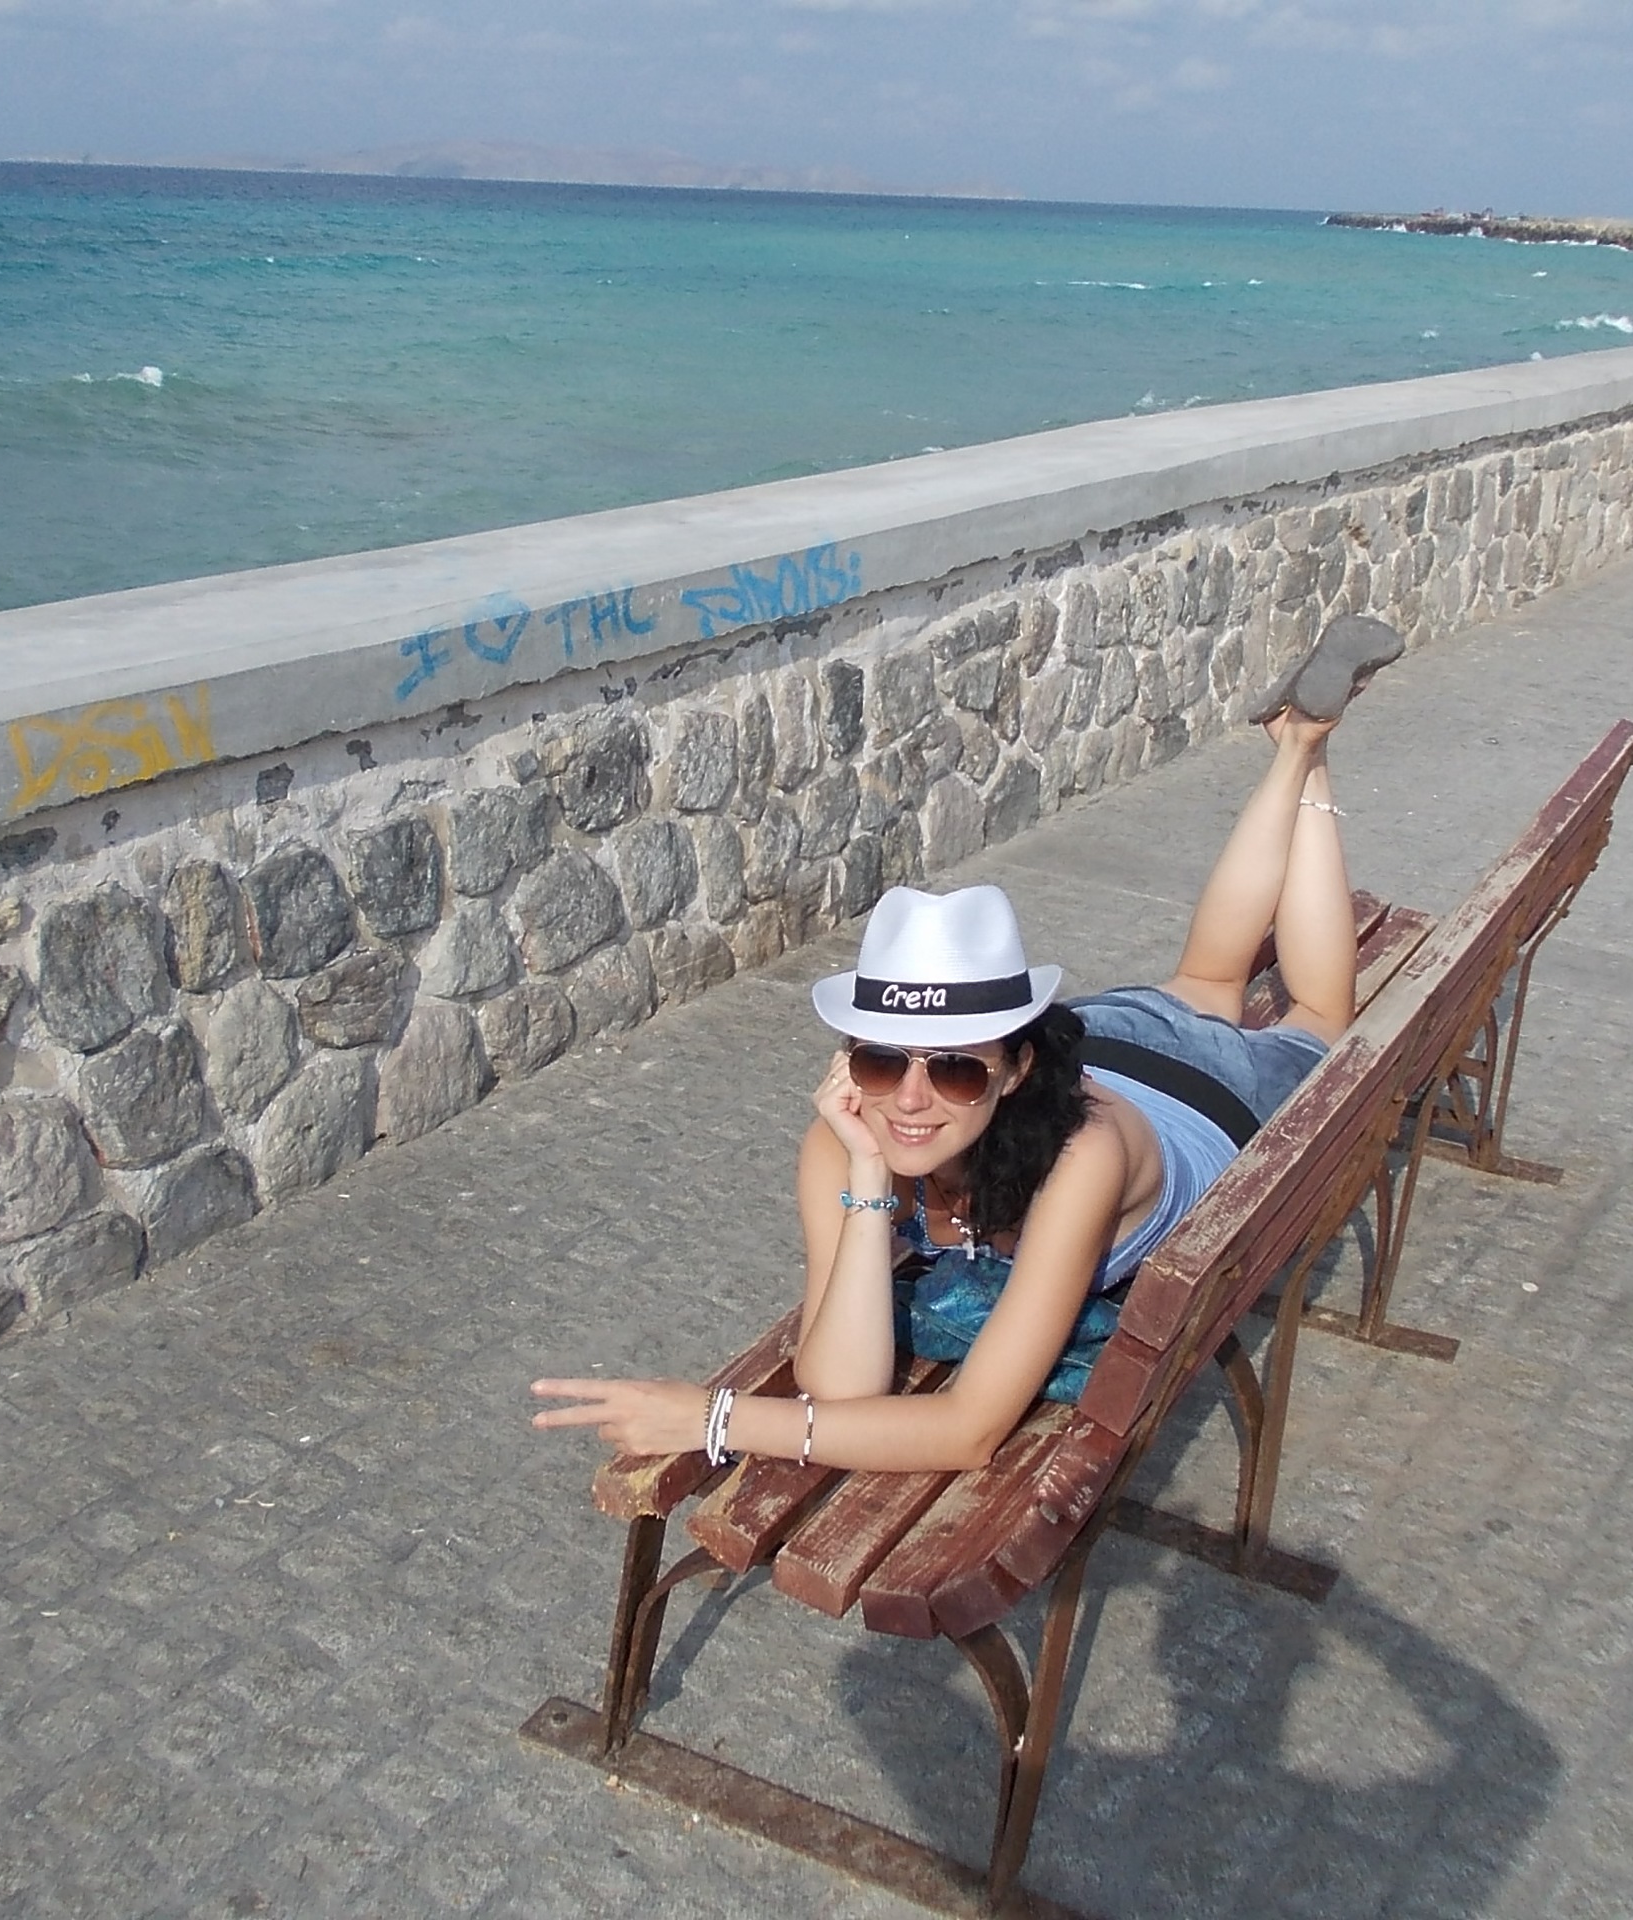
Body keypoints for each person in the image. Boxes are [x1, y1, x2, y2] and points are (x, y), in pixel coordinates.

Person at [532, 615, 1407, 1473]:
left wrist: (713, 1417)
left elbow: (968, 1432)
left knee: (1319, 1014)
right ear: (849, 1059)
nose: (910, 1098)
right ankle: (1293, 742)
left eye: (952, 1069)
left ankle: (1307, 751)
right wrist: (867, 1180)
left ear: (1014, 1068)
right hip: (1106, 1040)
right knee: (1209, 980)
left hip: (1201, 1096)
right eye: (882, 1060)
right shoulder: (846, 1141)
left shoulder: (1081, 1161)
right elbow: (838, 1387)